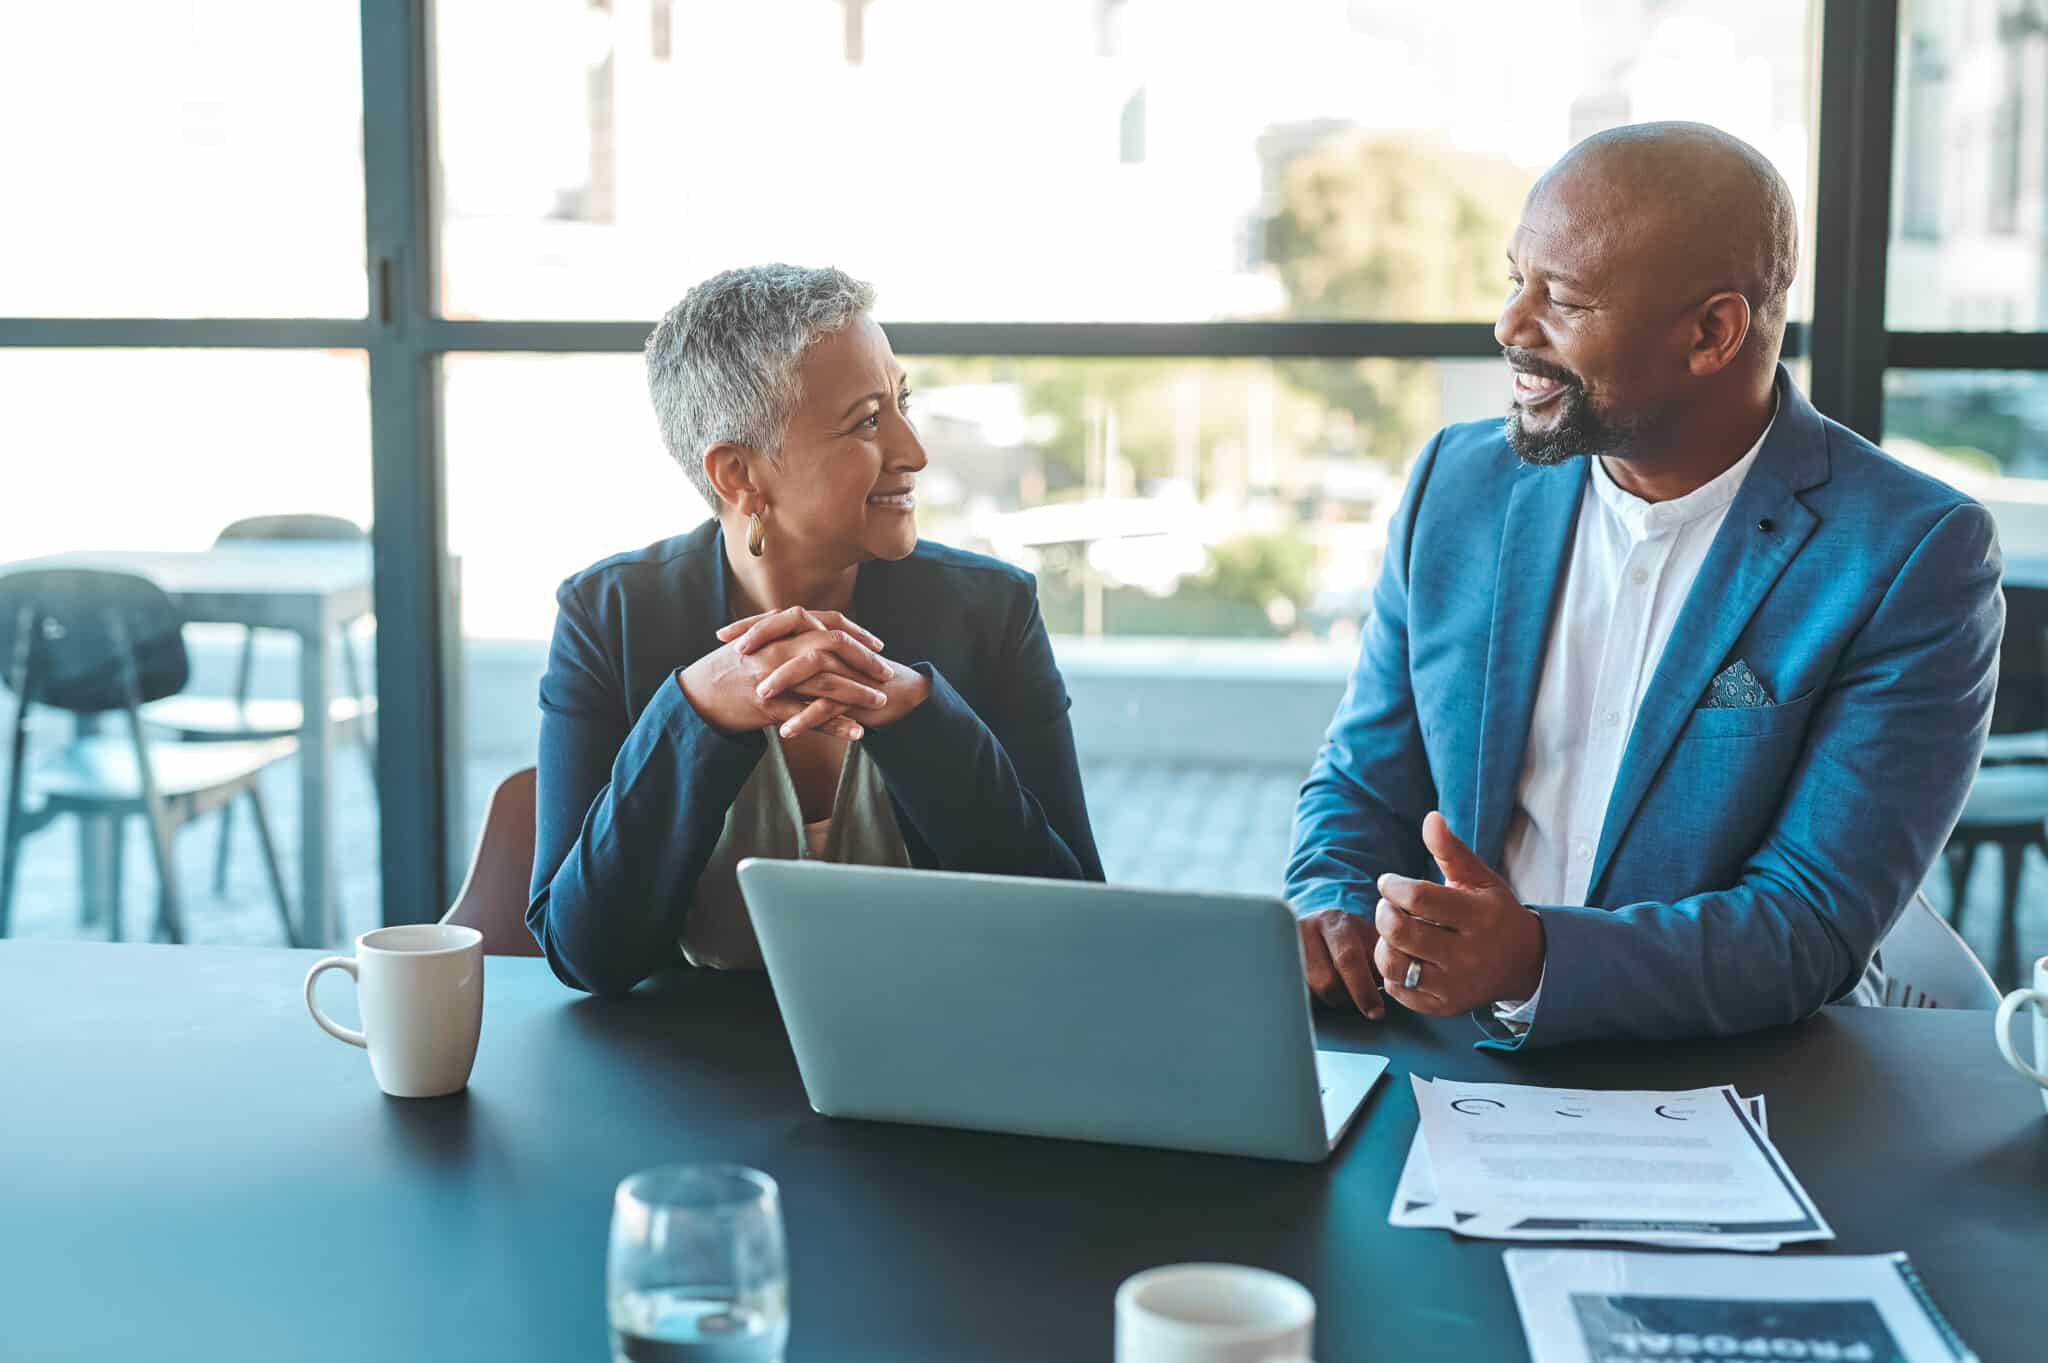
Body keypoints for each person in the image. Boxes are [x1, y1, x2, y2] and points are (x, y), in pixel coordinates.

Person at [1286, 122, 2003, 1049]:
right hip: (1441, 1053)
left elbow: (1809, 923)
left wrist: (1536, 960)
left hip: (1735, 1091)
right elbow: (1361, 781)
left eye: (1565, 300)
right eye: (1516, 279)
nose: (1510, 326)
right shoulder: (1455, 487)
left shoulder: (1913, 556)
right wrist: (1332, 904)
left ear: (1712, 333)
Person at [529, 264, 1103, 996]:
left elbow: (1076, 919)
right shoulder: (606, 616)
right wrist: (692, 716)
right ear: (739, 475)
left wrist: (923, 717)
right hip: (692, 1079)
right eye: (867, 420)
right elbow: (585, 954)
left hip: (951, 1050)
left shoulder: (992, 612)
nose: (914, 451)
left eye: (903, 402)